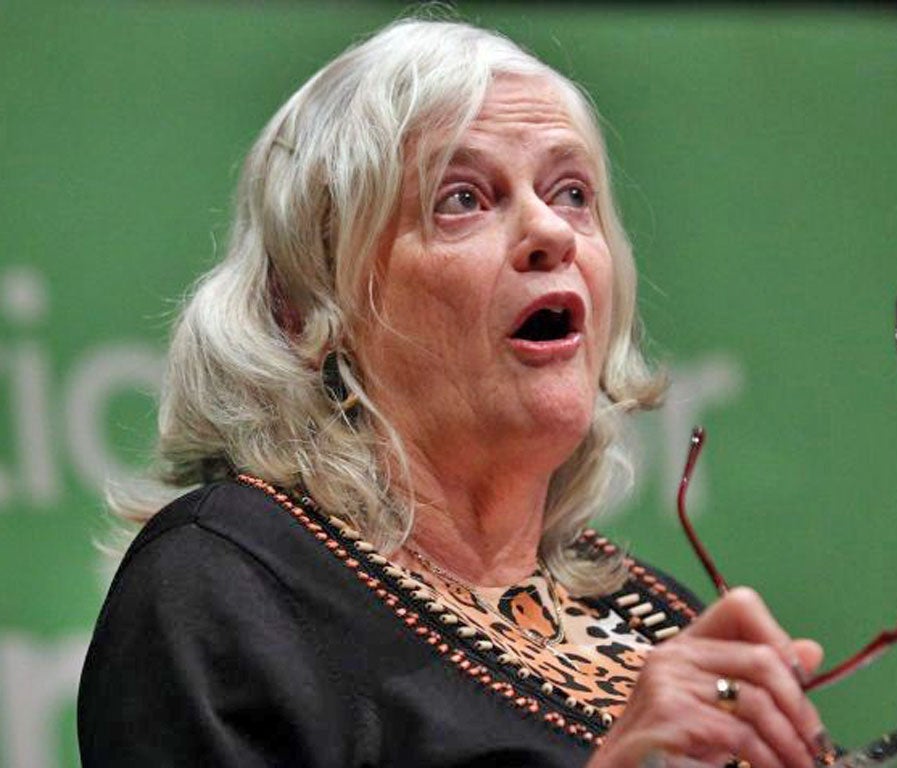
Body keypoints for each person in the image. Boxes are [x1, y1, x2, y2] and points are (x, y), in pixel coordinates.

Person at [78, 17, 830, 768]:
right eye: (462, 198)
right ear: (306, 306)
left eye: (572, 192)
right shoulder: (224, 585)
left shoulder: (648, 614)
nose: (550, 232)